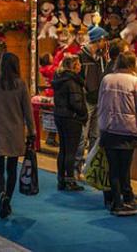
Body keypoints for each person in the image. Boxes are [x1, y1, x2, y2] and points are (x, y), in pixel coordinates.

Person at [0, 52, 35, 219]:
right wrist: (32, 131)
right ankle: (8, 199)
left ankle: (1, 194)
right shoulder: (20, 84)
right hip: (15, 131)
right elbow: (28, 111)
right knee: (11, 168)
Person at [98, 52, 137, 216]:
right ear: (132, 64)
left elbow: (100, 101)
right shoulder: (135, 81)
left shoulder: (106, 79)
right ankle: (124, 201)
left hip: (108, 127)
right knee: (125, 167)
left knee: (113, 168)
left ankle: (118, 201)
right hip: (126, 128)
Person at [52, 55, 88, 191]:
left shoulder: (59, 78)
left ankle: (61, 179)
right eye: (78, 64)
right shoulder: (72, 81)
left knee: (63, 149)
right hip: (71, 118)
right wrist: (83, 115)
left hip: (60, 116)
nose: (80, 66)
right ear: (73, 66)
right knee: (71, 151)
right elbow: (76, 102)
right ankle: (69, 180)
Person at [76, 25, 109, 174]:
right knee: (82, 134)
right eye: (104, 39)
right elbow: (78, 77)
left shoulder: (101, 58)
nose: (105, 42)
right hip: (86, 99)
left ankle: (90, 167)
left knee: (96, 135)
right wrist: (85, 91)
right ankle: (77, 165)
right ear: (99, 40)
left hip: (99, 99)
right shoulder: (81, 56)